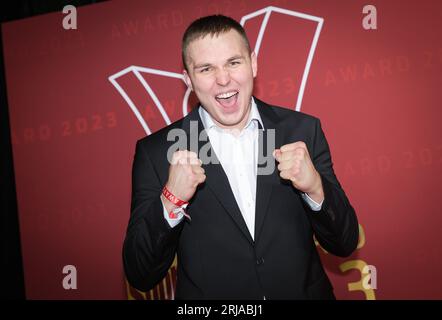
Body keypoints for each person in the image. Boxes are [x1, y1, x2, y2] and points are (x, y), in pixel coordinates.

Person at [123, 14, 359, 300]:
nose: (223, 79)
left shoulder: (301, 131)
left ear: (253, 63)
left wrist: (315, 188)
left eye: (233, 63)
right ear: (188, 78)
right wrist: (171, 199)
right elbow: (140, 273)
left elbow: (345, 242)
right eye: (206, 69)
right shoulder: (158, 152)